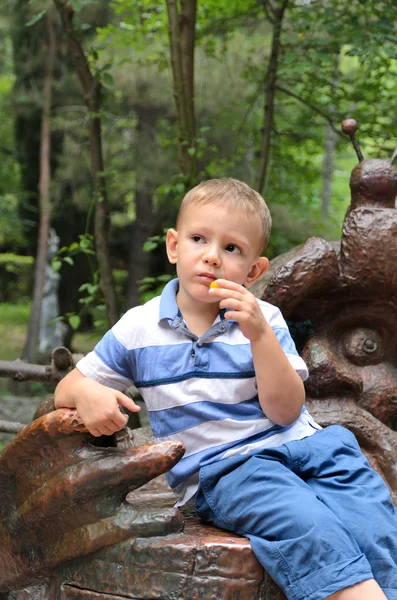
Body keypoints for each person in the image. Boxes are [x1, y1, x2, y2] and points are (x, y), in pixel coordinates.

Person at [55, 178, 397, 600]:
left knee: (372, 517)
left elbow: (286, 412)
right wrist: (89, 393)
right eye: (199, 239)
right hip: (229, 470)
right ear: (174, 247)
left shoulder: (264, 318)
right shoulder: (139, 328)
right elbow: (69, 386)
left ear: (254, 271)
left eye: (232, 248)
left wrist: (259, 337)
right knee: (306, 522)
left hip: (311, 447)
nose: (213, 257)